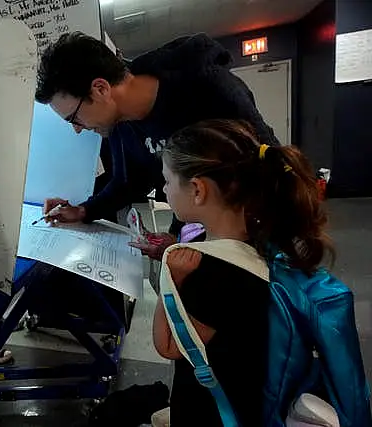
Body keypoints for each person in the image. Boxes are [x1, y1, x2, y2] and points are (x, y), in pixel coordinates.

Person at [35, 32, 278, 258]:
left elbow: (271, 163)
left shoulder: (205, 88)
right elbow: (128, 182)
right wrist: (83, 211)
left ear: (100, 89)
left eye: (74, 118)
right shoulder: (120, 123)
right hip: (212, 242)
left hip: (262, 235)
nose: (77, 129)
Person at [153, 119, 331, 426]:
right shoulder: (264, 241)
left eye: (167, 181)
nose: (164, 189)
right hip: (254, 389)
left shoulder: (211, 273)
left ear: (197, 189)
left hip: (217, 409)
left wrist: (173, 277)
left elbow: (168, 345)